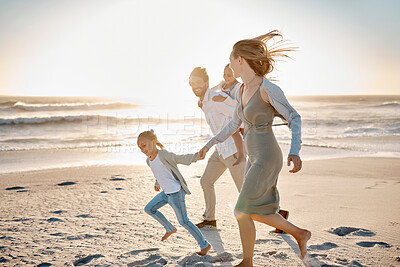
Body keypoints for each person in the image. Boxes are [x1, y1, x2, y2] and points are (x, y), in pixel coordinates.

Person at [198, 31, 311, 265]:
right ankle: (300, 234)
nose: (229, 67)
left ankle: (248, 261)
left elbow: (294, 117)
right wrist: (210, 143)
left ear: (241, 60)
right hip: (253, 158)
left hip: (268, 156)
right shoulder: (240, 90)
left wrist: (295, 150)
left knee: (241, 209)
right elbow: (233, 124)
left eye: (231, 61)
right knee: (256, 211)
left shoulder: (267, 88)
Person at [212, 64, 291, 233]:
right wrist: (205, 98)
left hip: (248, 139)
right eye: (225, 74)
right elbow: (214, 95)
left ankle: (280, 217)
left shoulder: (239, 88)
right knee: (254, 192)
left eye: (230, 73)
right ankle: (279, 214)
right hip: (245, 139)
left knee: (248, 195)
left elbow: (237, 108)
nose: (227, 76)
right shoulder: (223, 86)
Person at [137, 130, 211, 255]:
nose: (142, 149)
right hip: (166, 194)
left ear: (153, 141)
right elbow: (159, 173)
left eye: (144, 145)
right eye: (140, 147)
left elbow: (179, 158)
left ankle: (204, 245)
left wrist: (196, 157)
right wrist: (157, 183)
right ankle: (170, 228)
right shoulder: (148, 160)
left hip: (176, 193)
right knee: (149, 209)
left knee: (184, 221)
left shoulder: (163, 155)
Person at [189, 67, 246, 228]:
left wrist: (234, 130)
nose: (195, 86)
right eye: (192, 84)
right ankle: (210, 219)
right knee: (206, 181)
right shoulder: (204, 102)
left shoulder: (216, 98)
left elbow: (240, 115)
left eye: (198, 82)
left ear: (206, 82)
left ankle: (278, 214)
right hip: (220, 151)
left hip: (233, 150)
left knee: (246, 191)